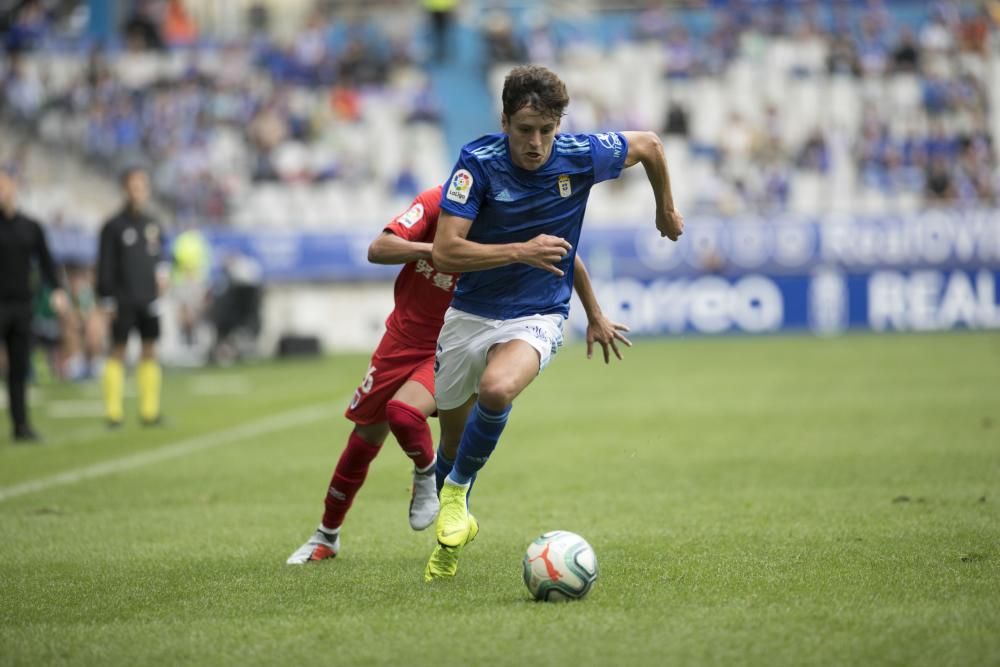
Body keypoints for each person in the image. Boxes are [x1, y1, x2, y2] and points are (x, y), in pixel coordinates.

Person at [424, 64, 684, 580]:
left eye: (547, 130)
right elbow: (446, 252)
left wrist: (665, 210)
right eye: (525, 130)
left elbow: (651, 145)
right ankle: (451, 532)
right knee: (451, 443)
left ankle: (455, 494)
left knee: (497, 391)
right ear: (505, 121)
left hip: (539, 312)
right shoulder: (477, 163)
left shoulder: (581, 155)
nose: (537, 143)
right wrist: (520, 249)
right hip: (470, 314)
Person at [287, 184, 629, 564]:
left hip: (454, 342)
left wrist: (595, 314)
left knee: (403, 412)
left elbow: (567, 257)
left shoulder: (507, 213)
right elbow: (378, 249)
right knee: (364, 435)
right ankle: (326, 536)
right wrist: (437, 251)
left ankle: (426, 471)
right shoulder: (437, 203)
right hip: (400, 339)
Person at [96, 167, 168, 427]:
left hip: (149, 298)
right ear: (125, 189)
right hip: (122, 299)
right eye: (134, 186)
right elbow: (104, 265)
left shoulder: (153, 223)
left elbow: (161, 257)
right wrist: (106, 298)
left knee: (149, 350)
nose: (139, 191)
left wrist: (162, 276)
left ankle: (150, 411)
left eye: (142, 186)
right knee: (118, 351)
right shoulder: (113, 226)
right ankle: (113, 413)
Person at [0, 167, 67, 442]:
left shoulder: (31, 226)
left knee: (19, 367)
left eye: (4, 185)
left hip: (21, 305)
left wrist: (58, 290)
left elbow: (47, 262)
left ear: (15, 186)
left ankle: (21, 425)